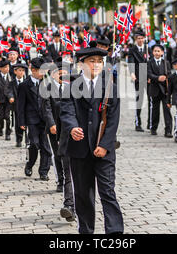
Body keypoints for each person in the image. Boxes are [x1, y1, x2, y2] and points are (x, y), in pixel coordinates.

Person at [60, 46, 123, 234]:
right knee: (84, 196)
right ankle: (86, 231)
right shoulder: (71, 87)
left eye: (99, 61)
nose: (96, 65)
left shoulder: (110, 86)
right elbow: (66, 110)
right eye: (92, 61)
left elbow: (113, 120)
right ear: (81, 64)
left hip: (103, 150)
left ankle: (115, 232)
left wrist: (104, 145)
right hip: (79, 150)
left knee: (107, 192)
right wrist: (72, 128)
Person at [42, 58, 75, 222]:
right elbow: (46, 108)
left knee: (68, 162)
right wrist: (52, 124)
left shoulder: (74, 89)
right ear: (53, 75)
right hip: (55, 128)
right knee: (58, 156)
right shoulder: (47, 88)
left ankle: (70, 200)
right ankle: (60, 179)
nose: (62, 76)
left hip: (71, 132)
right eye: (59, 74)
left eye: (65, 74)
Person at [17, 57, 52, 181]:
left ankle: (44, 171)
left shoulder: (47, 83)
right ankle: (30, 164)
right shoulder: (24, 85)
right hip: (31, 119)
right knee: (34, 144)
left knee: (46, 147)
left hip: (45, 119)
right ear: (33, 70)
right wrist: (21, 122)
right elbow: (20, 106)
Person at [147, 44, 173, 137]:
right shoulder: (149, 62)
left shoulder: (166, 63)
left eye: (158, 51)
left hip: (165, 90)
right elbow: (149, 74)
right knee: (155, 110)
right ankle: (153, 128)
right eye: (155, 51)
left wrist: (166, 78)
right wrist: (158, 78)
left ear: (162, 52)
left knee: (167, 110)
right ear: (152, 52)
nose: (157, 53)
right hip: (154, 89)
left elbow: (169, 74)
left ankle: (168, 130)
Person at [127, 31, 149, 132]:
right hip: (138, 77)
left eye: (142, 38)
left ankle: (151, 123)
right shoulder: (132, 49)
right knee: (139, 100)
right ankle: (138, 123)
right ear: (136, 39)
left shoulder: (148, 49)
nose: (140, 40)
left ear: (144, 39)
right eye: (138, 38)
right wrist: (132, 73)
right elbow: (130, 61)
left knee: (152, 100)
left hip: (149, 77)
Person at [0, 59, 14, 141]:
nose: (7, 69)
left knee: (8, 117)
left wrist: (12, 97)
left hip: (8, 100)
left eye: (8, 67)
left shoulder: (11, 77)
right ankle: (0, 127)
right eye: (4, 67)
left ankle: (7, 133)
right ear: (0, 69)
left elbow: (12, 88)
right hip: (0, 100)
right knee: (2, 117)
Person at [11, 63, 27, 147]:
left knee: (28, 123)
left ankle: (28, 139)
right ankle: (19, 139)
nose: (21, 72)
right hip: (17, 107)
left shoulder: (27, 81)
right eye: (19, 70)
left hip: (27, 107)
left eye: (23, 71)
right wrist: (11, 97)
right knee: (18, 123)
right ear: (15, 71)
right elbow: (9, 90)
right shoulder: (12, 82)